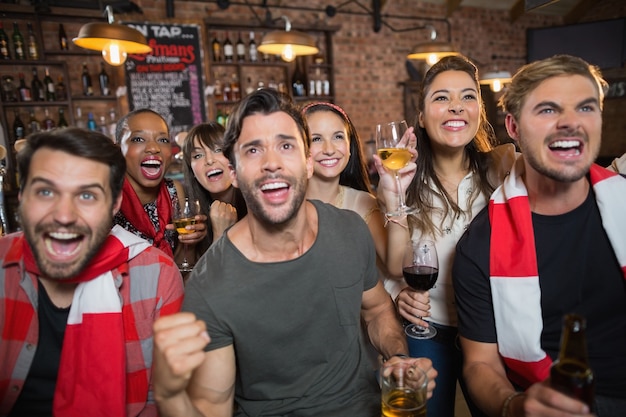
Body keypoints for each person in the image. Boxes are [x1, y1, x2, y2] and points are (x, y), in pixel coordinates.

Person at [152, 88, 437, 417]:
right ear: (234, 171)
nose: (272, 163)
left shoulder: (349, 229)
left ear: (307, 164)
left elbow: (376, 312)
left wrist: (399, 357)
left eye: (285, 146)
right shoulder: (209, 284)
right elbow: (212, 408)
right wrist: (171, 397)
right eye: (253, 150)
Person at [452, 54, 626, 417]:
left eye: (586, 107)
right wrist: (516, 406)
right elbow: (479, 364)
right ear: (513, 127)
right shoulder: (478, 246)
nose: (570, 123)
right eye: (547, 110)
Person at [0, 128, 185, 416]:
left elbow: (159, 403)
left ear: (114, 205)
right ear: (22, 198)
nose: (64, 215)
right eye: (46, 192)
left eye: (87, 195)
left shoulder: (157, 277)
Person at [374, 55, 515, 417]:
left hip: (492, 330)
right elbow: (390, 265)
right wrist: (397, 293)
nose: (456, 106)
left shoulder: (504, 167)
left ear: (480, 112)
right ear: (421, 116)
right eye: (441, 98)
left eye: (468, 97)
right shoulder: (400, 178)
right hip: (428, 329)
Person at [114, 108, 206, 263]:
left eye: (163, 140)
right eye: (138, 139)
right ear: (117, 150)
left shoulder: (174, 191)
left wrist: (190, 243)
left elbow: (181, 270)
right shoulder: (107, 197)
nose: (154, 148)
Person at [181, 121, 247, 256]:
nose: (209, 160)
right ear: (192, 170)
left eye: (218, 150)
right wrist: (218, 236)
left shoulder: (256, 204)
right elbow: (195, 276)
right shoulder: (193, 217)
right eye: (198, 155)